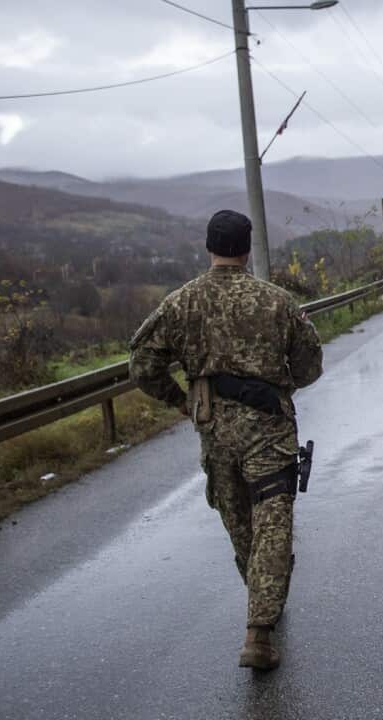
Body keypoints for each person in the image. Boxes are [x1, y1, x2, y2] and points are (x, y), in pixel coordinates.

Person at [129, 210, 323, 670]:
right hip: (270, 430)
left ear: (209, 247)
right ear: (247, 248)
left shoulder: (181, 303)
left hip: (215, 430)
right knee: (273, 523)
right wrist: (282, 385)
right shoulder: (277, 301)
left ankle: (261, 600)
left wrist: (179, 400)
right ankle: (259, 630)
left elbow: (141, 364)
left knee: (241, 526)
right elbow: (310, 365)